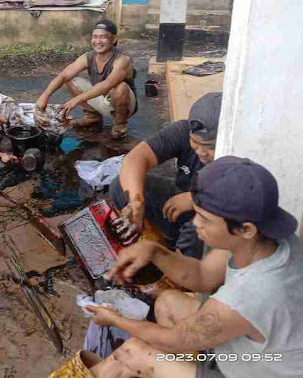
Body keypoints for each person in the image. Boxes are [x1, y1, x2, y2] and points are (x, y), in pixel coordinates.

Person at [61, 156, 303, 378]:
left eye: (205, 220)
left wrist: (115, 319)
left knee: (133, 352)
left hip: (260, 370)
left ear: (246, 229)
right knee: (167, 302)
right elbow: (203, 275)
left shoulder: (251, 294)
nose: (196, 224)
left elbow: (173, 340)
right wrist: (154, 251)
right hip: (250, 351)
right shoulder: (266, 239)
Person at [109, 92, 223, 259]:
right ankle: (157, 242)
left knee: (199, 228)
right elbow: (136, 158)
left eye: (210, 147)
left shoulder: (237, 151)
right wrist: (136, 202)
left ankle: (184, 271)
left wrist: (194, 199)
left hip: (211, 211)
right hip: (176, 201)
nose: (201, 152)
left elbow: (240, 198)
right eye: (195, 143)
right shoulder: (183, 130)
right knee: (120, 187)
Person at [35, 19, 137, 139]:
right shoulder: (88, 57)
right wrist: (45, 95)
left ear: (113, 39)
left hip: (125, 105)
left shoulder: (122, 60)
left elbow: (107, 84)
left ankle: (120, 125)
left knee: (120, 87)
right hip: (102, 98)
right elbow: (64, 75)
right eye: (95, 37)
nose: (98, 41)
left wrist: (75, 101)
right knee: (69, 79)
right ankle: (92, 116)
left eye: (103, 37)